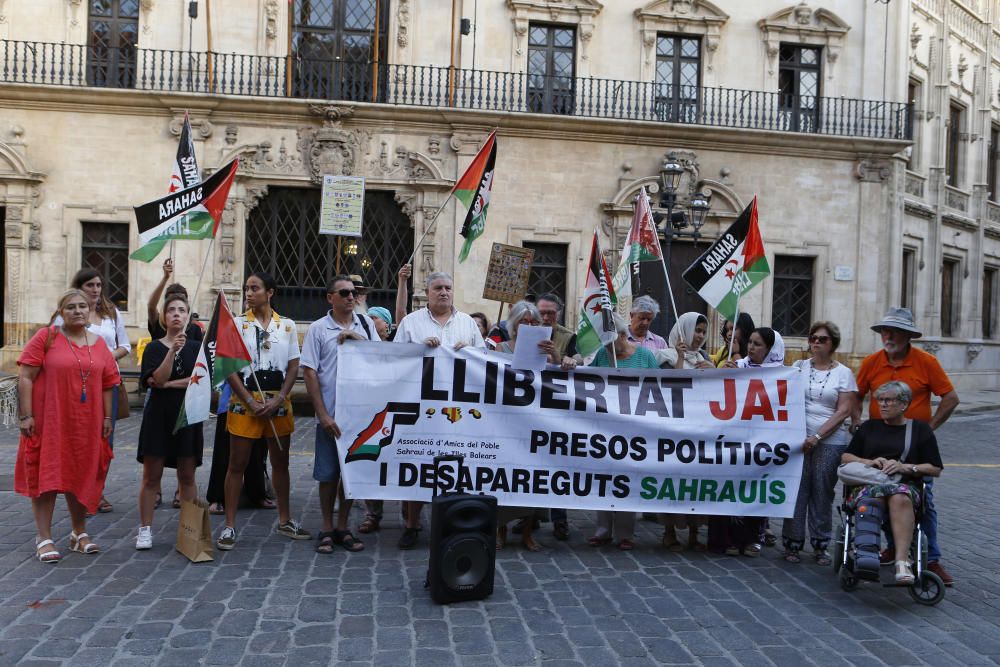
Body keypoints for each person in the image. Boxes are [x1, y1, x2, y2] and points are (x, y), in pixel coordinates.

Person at [855, 306, 959, 586]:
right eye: (884, 331)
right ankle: (893, 547)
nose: (888, 336)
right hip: (878, 442)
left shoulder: (926, 362)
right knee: (881, 494)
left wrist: (929, 429)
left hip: (913, 443)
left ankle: (932, 558)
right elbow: (856, 394)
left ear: (907, 335)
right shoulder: (872, 362)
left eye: (894, 332)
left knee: (924, 501)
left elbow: (950, 398)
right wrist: (857, 422)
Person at [16, 290, 118, 562]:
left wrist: (108, 418)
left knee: (81, 473)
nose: (78, 311)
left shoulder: (99, 344)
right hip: (50, 420)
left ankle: (79, 533)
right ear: (61, 312)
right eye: (71, 307)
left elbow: (109, 383)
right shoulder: (46, 337)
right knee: (46, 475)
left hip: (86, 423)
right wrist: (26, 415)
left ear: (90, 309)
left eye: (83, 306)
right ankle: (44, 537)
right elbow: (25, 375)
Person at [217, 271, 311, 551]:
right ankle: (230, 525)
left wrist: (281, 397)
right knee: (237, 463)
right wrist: (248, 400)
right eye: (247, 288)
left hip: (277, 401)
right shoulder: (236, 325)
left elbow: (294, 365)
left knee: (280, 463)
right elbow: (229, 366)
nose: (248, 293)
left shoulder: (288, 326)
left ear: (270, 292)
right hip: (245, 401)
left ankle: (285, 519)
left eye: (254, 288)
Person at [393, 271, 486, 549]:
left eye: (448, 287)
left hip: (458, 410)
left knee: (454, 466)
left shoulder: (467, 323)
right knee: (418, 464)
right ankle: (412, 524)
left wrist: (468, 350)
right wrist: (419, 350)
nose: (444, 292)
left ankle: (449, 522)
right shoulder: (411, 323)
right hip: (422, 406)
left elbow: (484, 360)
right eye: (438, 288)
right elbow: (395, 360)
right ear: (428, 291)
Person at [302, 276, 380, 554]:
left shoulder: (366, 324)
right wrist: (322, 413)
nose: (351, 297)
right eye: (345, 292)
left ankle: (343, 525)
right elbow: (310, 372)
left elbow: (379, 358)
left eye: (355, 293)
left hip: (358, 416)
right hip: (331, 413)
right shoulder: (317, 329)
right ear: (330, 297)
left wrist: (356, 339)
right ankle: (326, 525)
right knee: (327, 474)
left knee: (350, 473)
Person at [494, 301, 577, 551]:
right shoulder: (500, 348)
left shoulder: (545, 350)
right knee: (502, 478)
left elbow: (557, 379)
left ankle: (528, 532)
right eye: (524, 321)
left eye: (533, 322)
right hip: (505, 423)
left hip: (534, 423)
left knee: (531, 478)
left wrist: (555, 356)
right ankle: (500, 530)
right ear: (514, 324)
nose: (529, 326)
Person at [841, 381, 943, 584]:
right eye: (880, 400)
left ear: (904, 404)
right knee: (872, 498)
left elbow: (935, 468)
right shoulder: (869, 427)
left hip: (904, 485)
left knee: (898, 496)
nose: (883, 405)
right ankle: (867, 556)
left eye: (888, 400)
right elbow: (846, 457)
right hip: (869, 484)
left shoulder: (920, 429)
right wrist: (868, 461)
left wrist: (906, 467)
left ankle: (902, 562)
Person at [782, 321, 857, 565]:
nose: (816, 342)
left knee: (821, 491)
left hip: (830, 441)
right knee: (797, 489)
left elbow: (844, 410)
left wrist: (817, 437)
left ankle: (820, 543)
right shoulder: (798, 367)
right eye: (813, 337)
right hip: (798, 440)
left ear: (833, 343)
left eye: (822, 339)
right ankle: (792, 543)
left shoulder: (843, 373)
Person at [134, 294, 204, 550]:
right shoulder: (154, 348)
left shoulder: (196, 347)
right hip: (158, 417)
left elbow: (197, 380)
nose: (176, 314)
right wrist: (172, 351)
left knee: (187, 475)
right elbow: (155, 377)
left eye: (181, 310)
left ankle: (189, 529)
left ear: (188, 316)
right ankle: (145, 529)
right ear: (164, 317)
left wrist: (168, 384)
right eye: (171, 310)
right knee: (152, 475)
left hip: (187, 414)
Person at [59, 269, 130, 514]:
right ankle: (79, 488)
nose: (96, 289)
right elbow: (57, 343)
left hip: (107, 383)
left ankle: (96, 491)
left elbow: (125, 346)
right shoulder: (67, 313)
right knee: (80, 439)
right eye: (90, 285)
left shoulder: (111, 313)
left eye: (99, 285)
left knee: (104, 440)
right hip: (77, 386)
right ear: (79, 286)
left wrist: (104, 357)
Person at [587, 313, 658, 551]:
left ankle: (626, 533)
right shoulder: (601, 356)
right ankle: (603, 529)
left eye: (610, 340)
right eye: (602, 341)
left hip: (634, 430)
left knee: (626, 480)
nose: (607, 346)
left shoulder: (645, 356)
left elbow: (661, 390)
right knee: (604, 479)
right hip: (605, 430)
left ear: (622, 335)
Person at [712, 326, 785, 556]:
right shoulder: (738, 367)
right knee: (730, 486)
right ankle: (728, 539)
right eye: (750, 343)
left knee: (756, 485)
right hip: (734, 439)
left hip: (762, 441)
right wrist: (724, 373)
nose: (751, 348)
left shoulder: (781, 375)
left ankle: (753, 538)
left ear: (770, 349)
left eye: (757, 344)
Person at [657, 312, 713, 551]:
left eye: (703, 331)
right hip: (672, 429)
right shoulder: (666, 355)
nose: (699, 336)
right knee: (671, 480)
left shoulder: (703, 358)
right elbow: (672, 387)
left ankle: (694, 531)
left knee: (696, 482)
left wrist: (713, 370)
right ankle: (668, 531)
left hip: (699, 430)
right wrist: (680, 357)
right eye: (696, 330)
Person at [534, 292, 577, 539]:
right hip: (529, 405)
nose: (547, 317)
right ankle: (529, 518)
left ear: (558, 313)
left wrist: (562, 359)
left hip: (555, 406)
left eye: (551, 313)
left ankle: (560, 519)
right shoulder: (525, 329)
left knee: (555, 462)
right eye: (543, 312)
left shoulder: (568, 336)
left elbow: (576, 360)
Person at [146, 258, 204, 342]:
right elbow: (151, 306)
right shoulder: (158, 323)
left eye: (181, 308)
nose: (176, 313)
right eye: (172, 307)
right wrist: (165, 278)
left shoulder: (195, 330)